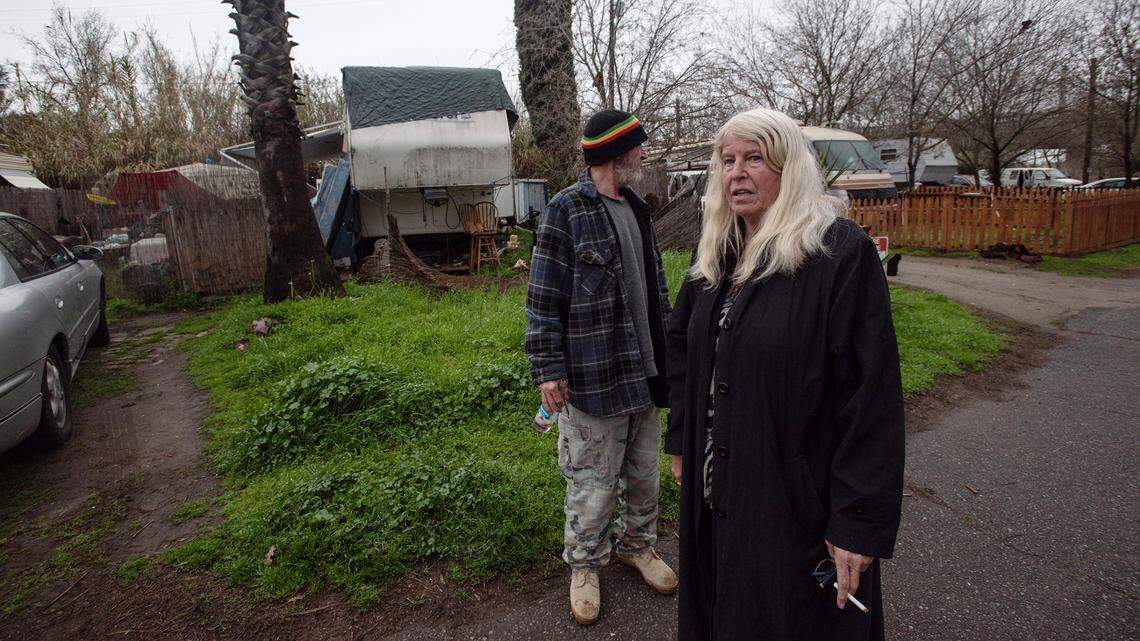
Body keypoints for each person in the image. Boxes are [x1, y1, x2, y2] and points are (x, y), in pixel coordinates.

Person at [664, 108, 905, 641]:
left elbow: (871, 397)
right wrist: (681, 437)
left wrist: (857, 522)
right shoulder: (718, 256)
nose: (737, 173)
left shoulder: (838, 254)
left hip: (795, 503)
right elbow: (681, 345)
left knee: (789, 617)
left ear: (788, 168)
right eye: (728, 161)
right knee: (724, 609)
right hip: (719, 494)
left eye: (754, 159)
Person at [525, 108, 678, 625]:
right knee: (591, 481)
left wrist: (674, 351)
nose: (643, 153)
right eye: (637, 146)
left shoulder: (637, 208)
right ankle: (585, 566)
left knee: (643, 475)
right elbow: (543, 298)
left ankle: (638, 546)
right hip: (595, 376)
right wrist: (548, 369)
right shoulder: (566, 211)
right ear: (616, 153)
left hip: (647, 371)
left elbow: (655, 291)